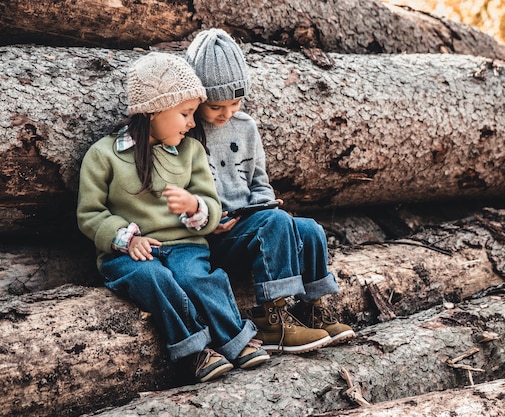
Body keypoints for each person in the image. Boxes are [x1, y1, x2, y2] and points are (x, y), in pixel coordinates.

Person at [76, 52, 269, 383]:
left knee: (196, 278)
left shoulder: (190, 152)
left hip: (185, 246)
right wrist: (126, 239)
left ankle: (236, 341)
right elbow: (90, 213)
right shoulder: (105, 155)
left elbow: (210, 204)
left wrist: (195, 206)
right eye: (185, 113)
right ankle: (195, 352)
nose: (192, 123)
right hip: (128, 255)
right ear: (153, 111)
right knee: (155, 278)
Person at [185, 29, 355, 354]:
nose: (227, 113)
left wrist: (264, 204)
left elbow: (259, 182)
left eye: (235, 103)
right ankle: (272, 319)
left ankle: (311, 310)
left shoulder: (246, 127)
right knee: (275, 224)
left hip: (250, 223)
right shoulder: (185, 133)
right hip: (213, 234)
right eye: (217, 106)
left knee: (308, 229)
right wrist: (210, 219)